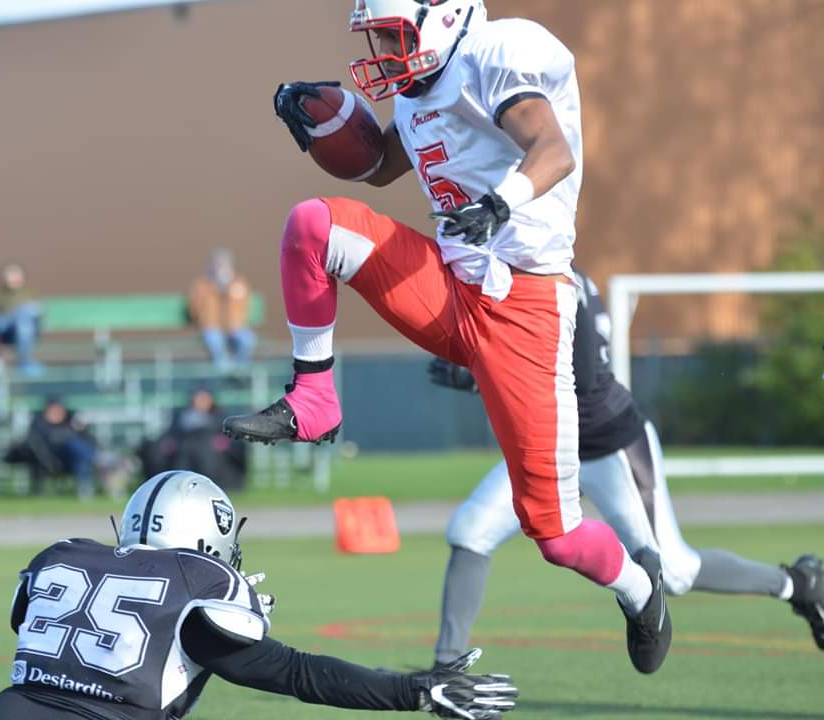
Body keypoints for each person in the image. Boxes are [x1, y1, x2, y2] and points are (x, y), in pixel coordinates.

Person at [223, 0, 672, 673]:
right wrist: (318, 119)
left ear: (444, 16)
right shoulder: (416, 88)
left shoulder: (492, 57)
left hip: (524, 310)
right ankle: (315, 396)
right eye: (375, 36)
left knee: (554, 533)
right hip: (447, 289)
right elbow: (375, 167)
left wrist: (500, 202)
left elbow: (554, 149)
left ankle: (641, 591)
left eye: (392, 34)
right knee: (314, 226)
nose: (382, 49)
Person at [429, 268, 824, 661]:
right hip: (547, 442)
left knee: (675, 571)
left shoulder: (554, 276)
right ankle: (447, 666)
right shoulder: (517, 269)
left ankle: (800, 584)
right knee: (471, 531)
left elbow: (576, 377)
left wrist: (478, 377)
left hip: (607, 441)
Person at [0, 470, 519, 720]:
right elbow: (296, 674)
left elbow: (38, 628)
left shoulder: (63, 554)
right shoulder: (199, 583)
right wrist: (413, 691)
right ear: (204, 533)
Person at [139, 387, 248, 491]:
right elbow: (171, 435)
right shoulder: (182, 416)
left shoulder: (220, 417)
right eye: (198, 398)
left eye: (203, 398)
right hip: (184, 450)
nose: (200, 401)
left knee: (201, 449)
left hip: (210, 453)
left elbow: (231, 439)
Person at [3, 396, 101, 499]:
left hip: (73, 457)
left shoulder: (70, 420)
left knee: (79, 450)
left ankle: (94, 470)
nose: (56, 412)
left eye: (59, 408)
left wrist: (78, 428)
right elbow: (36, 444)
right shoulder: (40, 424)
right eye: (53, 409)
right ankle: (94, 468)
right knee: (76, 447)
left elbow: (88, 439)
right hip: (53, 459)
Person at [188, 248, 256, 373]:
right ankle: (223, 373)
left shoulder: (238, 283)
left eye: (224, 265)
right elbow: (195, 311)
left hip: (234, 327)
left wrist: (227, 289)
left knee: (247, 339)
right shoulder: (202, 285)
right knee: (215, 340)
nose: (220, 268)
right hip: (211, 328)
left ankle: (239, 371)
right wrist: (215, 289)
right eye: (217, 265)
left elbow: (244, 308)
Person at [0, 261, 44, 377]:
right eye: (10, 275)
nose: (13, 278)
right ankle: (24, 361)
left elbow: (38, 313)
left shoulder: (30, 294)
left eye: (16, 275)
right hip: (4, 332)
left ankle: (24, 361)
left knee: (24, 320)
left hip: (25, 333)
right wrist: (15, 313)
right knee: (22, 315)